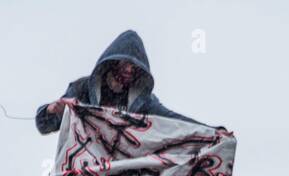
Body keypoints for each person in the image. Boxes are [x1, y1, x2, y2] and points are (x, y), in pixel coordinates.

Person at [35, 29, 198, 134]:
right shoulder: (82, 88)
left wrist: (211, 132)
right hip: (84, 169)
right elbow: (45, 126)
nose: (128, 71)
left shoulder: (143, 102)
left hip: (120, 174)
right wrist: (51, 110)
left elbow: (173, 121)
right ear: (113, 62)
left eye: (134, 68)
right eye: (125, 64)